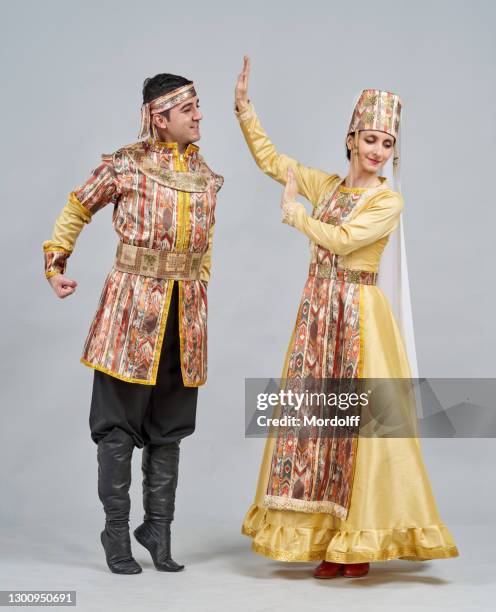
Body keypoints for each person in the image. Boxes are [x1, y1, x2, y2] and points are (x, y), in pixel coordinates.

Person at [234, 56, 458, 578]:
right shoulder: (330, 186)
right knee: (316, 427)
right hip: (319, 316)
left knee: (363, 430)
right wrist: (245, 110)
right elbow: (274, 162)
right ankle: (327, 538)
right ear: (351, 138)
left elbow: (342, 241)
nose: (379, 152)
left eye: (388, 144)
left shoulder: (388, 201)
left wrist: (295, 215)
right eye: (371, 140)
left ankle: (358, 542)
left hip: (360, 313)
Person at [43, 74, 223, 574]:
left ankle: (158, 531)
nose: (199, 116)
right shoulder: (127, 165)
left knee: (169, 428)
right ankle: (116, 531)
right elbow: (79, 205)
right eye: (189, 109)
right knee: (118, 428)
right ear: (158, 118)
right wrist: (56, 263)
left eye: (198, 106)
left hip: (184, 317)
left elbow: (205, 250)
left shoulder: (206, 175)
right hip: (130, 311)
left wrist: (201, 297)